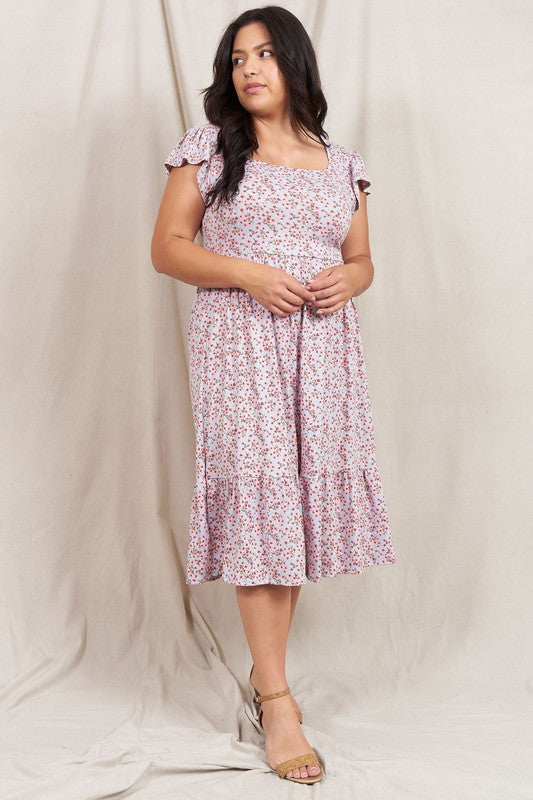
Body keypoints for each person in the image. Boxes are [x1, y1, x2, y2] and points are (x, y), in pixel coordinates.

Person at [151, 5, 396, 786]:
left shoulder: (340, 163)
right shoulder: (210, 151)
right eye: (235, 59)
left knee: (291, 515)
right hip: (240, 348)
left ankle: (271, 686)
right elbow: (168, 249)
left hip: (322, 354)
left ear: (294, 64)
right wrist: (252, 273)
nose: (248, 69)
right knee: (262, 512)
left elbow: (361, 260)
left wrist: (344, 281)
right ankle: (277, 698)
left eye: (263, 54)